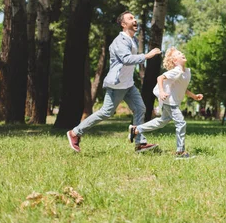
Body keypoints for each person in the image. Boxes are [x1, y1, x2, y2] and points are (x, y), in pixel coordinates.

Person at [66, 11, 161, 153]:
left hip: (128, 84)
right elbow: (126, 59)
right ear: (123, 24)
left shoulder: (132, 40)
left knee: (140, 108)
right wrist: (147, 55)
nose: (135, 20)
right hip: (117, 85)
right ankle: (75, 133)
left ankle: (139, 142)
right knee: (106, 112)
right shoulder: (120, 41)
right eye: (131, 18)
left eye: (135, 18)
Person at [128, 47, 203, 159]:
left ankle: (136, 129)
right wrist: (162, 92)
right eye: (178, 54)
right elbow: (160, 78)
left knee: (161, 122)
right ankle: (180, 152)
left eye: (181, 52)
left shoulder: (186, 72)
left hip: (171, 102)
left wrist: (194, 96)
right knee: (181, 123)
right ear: (175, 61)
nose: (182, 53)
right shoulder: (176, 71)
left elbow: (183, 89)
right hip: (170, 102)